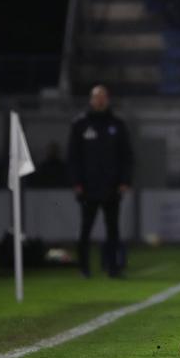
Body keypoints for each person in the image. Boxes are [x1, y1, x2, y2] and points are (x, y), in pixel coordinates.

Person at [67, 86, 134, 278]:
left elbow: (127, 156)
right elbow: (73, 157)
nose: (100, 100)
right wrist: (76, 182)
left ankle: (113, 268)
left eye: (103, 97)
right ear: (91, 100)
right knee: (85, 229)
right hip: (88, 187)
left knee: (113, 230)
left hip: (112, 187)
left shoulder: (117, 124)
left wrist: (124, 181)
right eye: (97, 97)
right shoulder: (80, 124)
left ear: (108, 99)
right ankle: (84, 268)